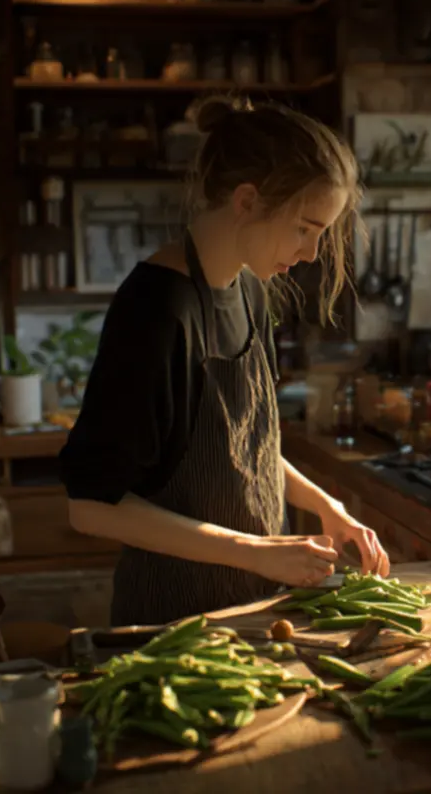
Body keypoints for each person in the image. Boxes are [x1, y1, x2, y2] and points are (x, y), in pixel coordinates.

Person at [61, 95, 390, 627]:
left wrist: (325, 503)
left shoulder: (249, 288)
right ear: (247, 201)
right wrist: (254, 551)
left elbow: (244, 447)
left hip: (254, 609)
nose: (310, 253)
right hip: (173, 627)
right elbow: (91, 507)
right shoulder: (157, 310)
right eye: (305, 228)